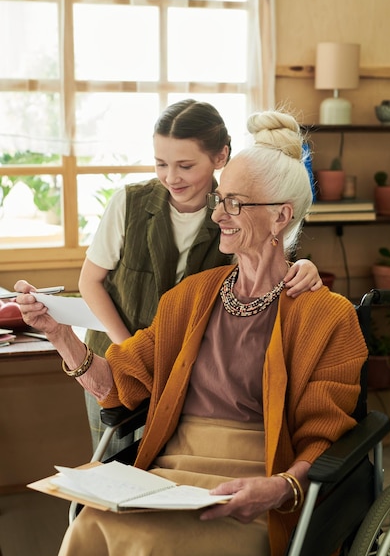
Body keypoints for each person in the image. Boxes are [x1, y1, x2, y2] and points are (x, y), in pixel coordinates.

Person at [15, 107, 368, 556]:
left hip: (252, 493)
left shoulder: (327, 317)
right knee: (91, 529)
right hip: (169, 480)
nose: (218, 213)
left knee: (149, 549)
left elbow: (324, 435)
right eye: (221, 200)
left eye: (235, 204)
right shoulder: (191, 296)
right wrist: (59, 334)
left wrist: (281, 487)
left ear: (281, 216)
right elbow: (117, 384)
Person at [78, 98, 323, 457]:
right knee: (110, 468)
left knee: (158, 466)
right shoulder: (130, 203)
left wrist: (305, 268)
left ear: (220, 158)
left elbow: (266, 269)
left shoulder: (233, 213)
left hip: (185, 375)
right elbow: (89, 282)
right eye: (161, 163)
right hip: (115, 359)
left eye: (185, 165)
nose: (171, 177)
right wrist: (131, 349)